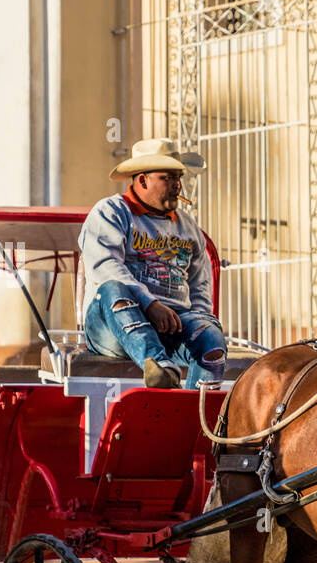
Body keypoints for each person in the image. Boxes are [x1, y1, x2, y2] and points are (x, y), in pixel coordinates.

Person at [78, 138, 225, 389]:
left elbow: (199, 286)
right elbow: (104, 266)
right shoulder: (110, 212)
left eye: (178, 177)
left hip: (171, 326)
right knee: (112, 288)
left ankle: (198, 417)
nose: (177, 185)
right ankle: (159, 367)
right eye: (167, 178)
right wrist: (151, 305)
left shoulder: (188, 227)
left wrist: (200, 322)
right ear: (143, 180)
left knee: (211, 339)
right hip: (111, 327)